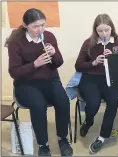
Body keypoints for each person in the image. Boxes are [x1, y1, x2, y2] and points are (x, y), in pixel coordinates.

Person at [5, 8, 73, 156]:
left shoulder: (49, 37)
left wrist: (54, 53)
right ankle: (43, 145)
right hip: (26, 83)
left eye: (42, 25)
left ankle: (62, 138)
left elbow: (58, 63)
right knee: (38, 105)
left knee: (63, 102)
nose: (40, 29)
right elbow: (14, 72)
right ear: (25, 25)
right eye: (35, 26)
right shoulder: (16, 42)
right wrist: (35, 64)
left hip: (50, 79)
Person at [75, 13, 118, 154]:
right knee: (93, 103)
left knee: (114, 101)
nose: (104, 33)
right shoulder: (88, 43)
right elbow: (78, 66)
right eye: (100, 31)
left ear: (112, 29)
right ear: (95, 30)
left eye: (107, 30)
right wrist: (94, 62)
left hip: (110, 79)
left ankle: (103, 137)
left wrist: (114, 59)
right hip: (90, 78)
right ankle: (89, 121)